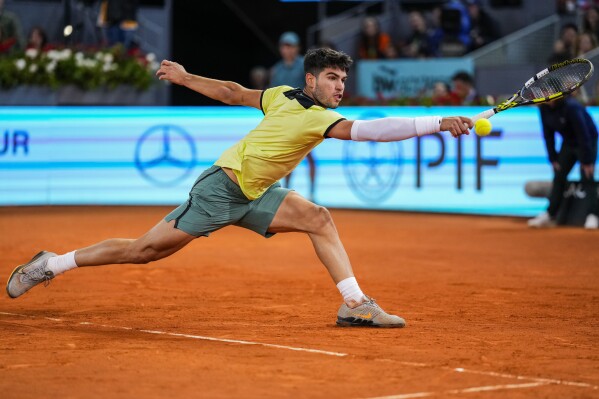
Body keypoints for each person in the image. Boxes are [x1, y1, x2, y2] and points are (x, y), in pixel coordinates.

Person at [6, 48, 473, 328]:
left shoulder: (317, 115)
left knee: (318, 217)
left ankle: (355, 305)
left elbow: (368, 129)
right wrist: (436, 121)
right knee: (143, 251)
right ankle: (52, 263)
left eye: (344, 79)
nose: (340, 86)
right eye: (332, 78)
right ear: (310, 79)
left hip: (254, 195)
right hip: (219, 191)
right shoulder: (289, 100)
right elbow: (234, 91)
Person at [528, 96, 598, 229]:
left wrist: (587, 160)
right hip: (569, 143)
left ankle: (592, 215)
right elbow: (547, 134)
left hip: (587, 141)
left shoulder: (572, 107)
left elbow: (583, 134)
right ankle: (550, 214)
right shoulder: (543, 108)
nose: (544, 95)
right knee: (559, 176)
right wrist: (553, 158)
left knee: (587, 177)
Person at [271, 31, 317, 201]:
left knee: (309, 155)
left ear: (297, 48)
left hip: (303, 117)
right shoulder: (276, 70)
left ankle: (312, 194)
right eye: (284, 46)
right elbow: (273, 96)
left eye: (290, 46)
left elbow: (312, 91)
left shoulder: (305, 68)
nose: (287, 50)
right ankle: (286, 193)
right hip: (285, 119)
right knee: (287, 157)